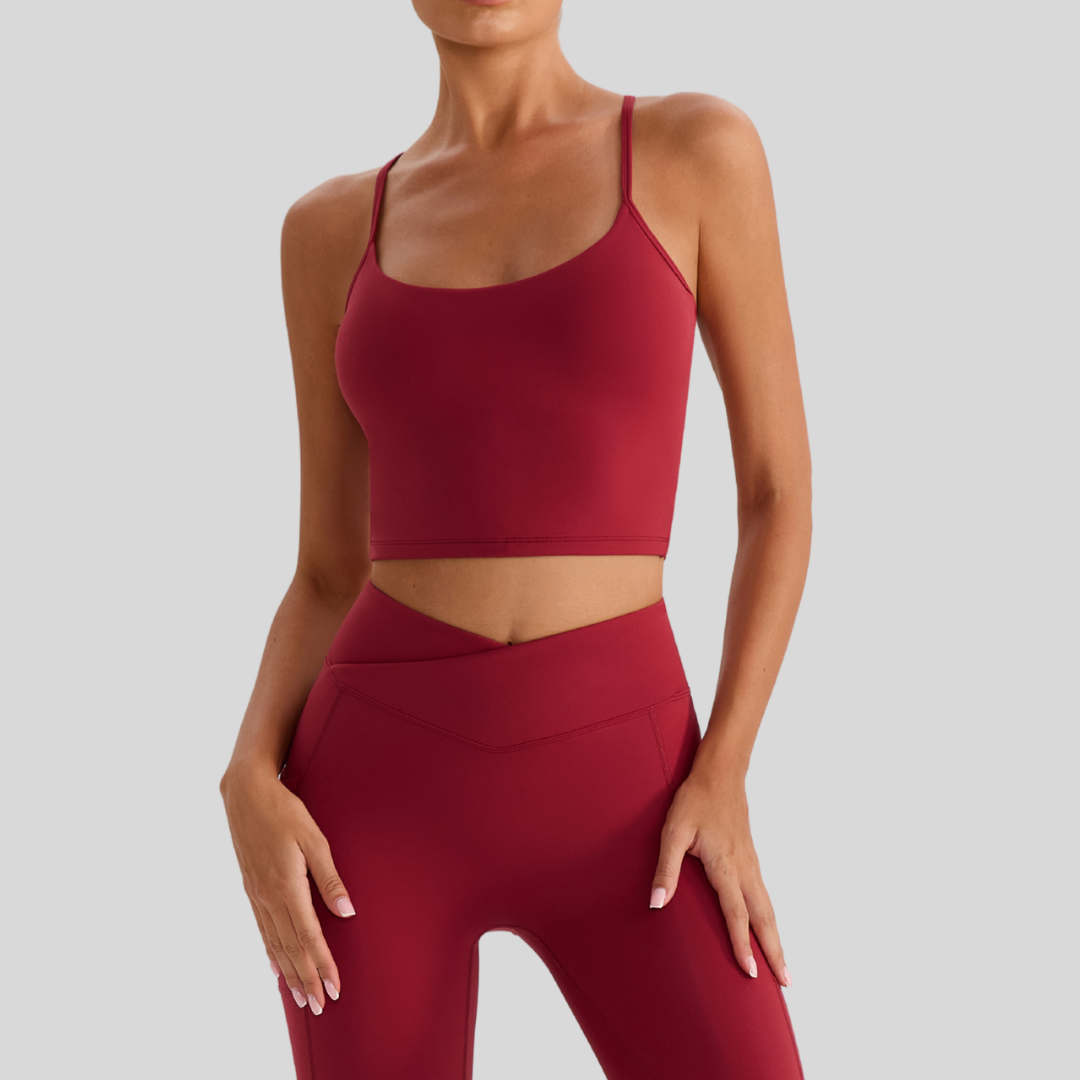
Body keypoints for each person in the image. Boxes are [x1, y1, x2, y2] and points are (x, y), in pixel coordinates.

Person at [220, 2, 811, 1077]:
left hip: (639, 800)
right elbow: (327, 571)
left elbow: (776, 493)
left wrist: (725, 768)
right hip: (376, 802)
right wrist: (248, 769)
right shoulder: (328, 230)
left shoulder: (694, 151)